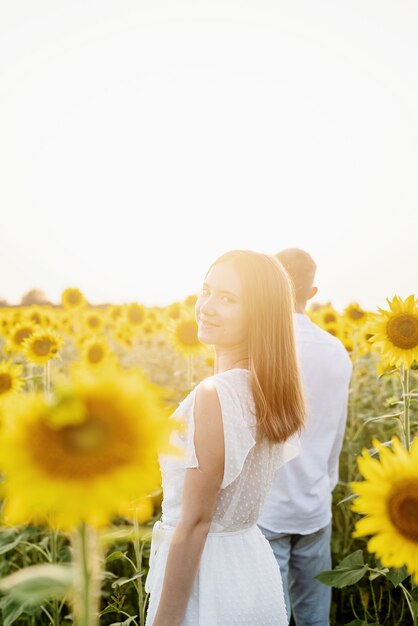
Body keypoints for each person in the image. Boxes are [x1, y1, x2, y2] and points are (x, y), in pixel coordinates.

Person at [145, 249, 306, 626]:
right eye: (207, 291)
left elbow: (196, 521)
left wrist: (165, 620)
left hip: (205, 581)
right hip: (250, 569)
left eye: (228, 299)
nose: (207, 307)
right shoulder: (265, 389)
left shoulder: (215, 394)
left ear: (259, 314)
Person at [258, 248, 352, 626]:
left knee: (271, 618)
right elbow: (338, 431)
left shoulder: (259, 347)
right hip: (314, 505)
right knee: (315, 618)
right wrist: (324, 485)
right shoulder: (336, 352)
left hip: (267, 509)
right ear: (311, 292)